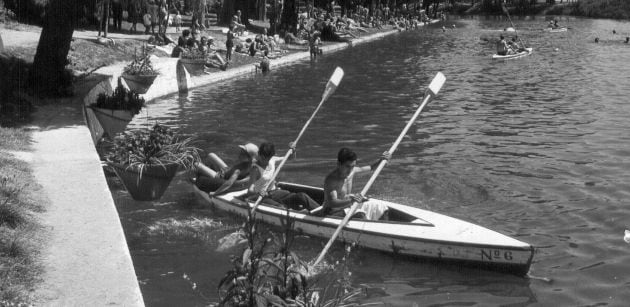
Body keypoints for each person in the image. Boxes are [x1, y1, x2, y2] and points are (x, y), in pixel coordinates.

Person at [242, 142, 321, 212]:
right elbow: (250, 190)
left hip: (274, 192)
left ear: (271, 156)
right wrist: (260, 192)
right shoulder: (255, 169)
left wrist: (293, 150)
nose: (264, 160)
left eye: (267, 158)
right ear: (259, 154)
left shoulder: (272, 160)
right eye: (262, 157)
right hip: (261, 197)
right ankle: (295, 213)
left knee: (301, 196)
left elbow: (290, 158)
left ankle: (321, 212)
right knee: (281, 208)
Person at [321, 148, 391, 219]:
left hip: (347, 206)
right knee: (360, 214)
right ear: (339, 164)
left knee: (381, 207)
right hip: (332, 212)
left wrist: (381, 160)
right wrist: (351, 200)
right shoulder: (331, 180)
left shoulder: (352, 171)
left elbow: (371, 167)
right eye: (347, 166)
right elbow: (332, 203)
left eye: (353, 166)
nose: (350, 170)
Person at [194, 143, 259, 195]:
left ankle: (199, 175)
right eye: (241, 151)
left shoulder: (238, 170)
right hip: (227, 170)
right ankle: (207, 168)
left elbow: (229, 183)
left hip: (220, 176)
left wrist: (215, 193)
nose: (240, 154)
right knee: (211, 155)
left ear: (248, 158)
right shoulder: (253, 165)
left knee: (197, 164)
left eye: (242, 153)